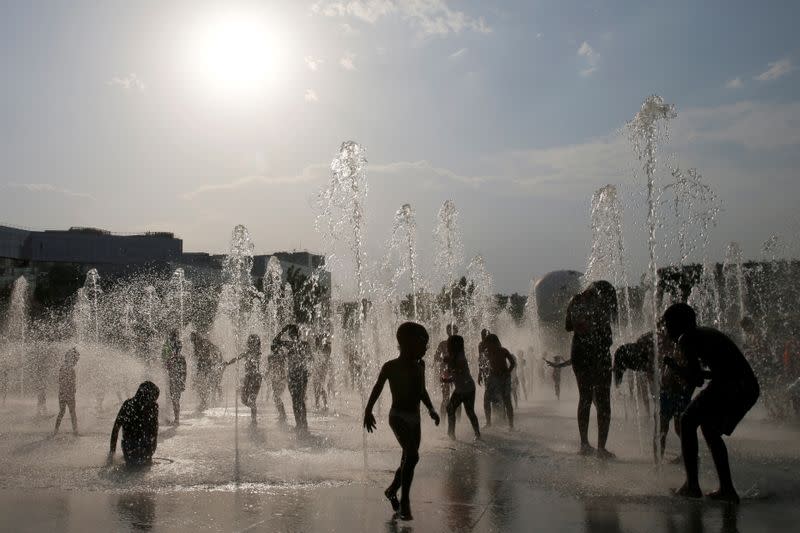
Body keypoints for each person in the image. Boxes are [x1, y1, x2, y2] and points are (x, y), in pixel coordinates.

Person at [663, 303, 760, 504]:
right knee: (709, 429)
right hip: (744, 385)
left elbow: (696, 380)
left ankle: (692, 486)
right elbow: (715, 373)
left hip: (734, 385)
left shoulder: (686, 338)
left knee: (688, 420)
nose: (665, 329)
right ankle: (727, 489)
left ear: (679, 323)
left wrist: (674, 367)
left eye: (667, 324)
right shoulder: (701, 334)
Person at [363, 322, 440, 521]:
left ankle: (391, 491)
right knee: (413, 456)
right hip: (397, 417)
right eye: (423, 343)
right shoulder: (391, 366)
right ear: (408, 343)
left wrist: (431, 409)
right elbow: (377, 387)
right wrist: (368, 410)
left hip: (415, 419)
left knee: (408, 459)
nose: (425, 348)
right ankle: (405, 502)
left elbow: (422, 392)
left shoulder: (420, 366)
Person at [549, 280, 617, 458]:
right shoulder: (601, 302)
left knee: (585, 398)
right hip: (599, 353)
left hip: (580, 353)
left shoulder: (575, 301)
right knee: (603, 401)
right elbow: (605, 332)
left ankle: (585, 445)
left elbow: (568, 326)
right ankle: (601, 448)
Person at [613, 330, 695, 462]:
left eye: (635, 367)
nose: (638, 369)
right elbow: (655, 374)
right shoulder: (643, 347)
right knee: (673, 425)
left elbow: (666, 361)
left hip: (681, 380)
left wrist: (666, 383)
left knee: (667, 426)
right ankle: (668, 461)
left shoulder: (649, 347)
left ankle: (663, 464)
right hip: (677, 382)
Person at [109, 381, 160, 466]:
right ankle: (144, 457)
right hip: (146, 451)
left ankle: (135, 455)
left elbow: (116, 429)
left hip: (128, 450)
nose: (154, 401)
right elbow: (154, 432)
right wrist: (149, 453)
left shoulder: (127, 404)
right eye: (154, 398)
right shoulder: (153, 407)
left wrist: (112, 454)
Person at [443, 334, 480, 440]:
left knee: (469, 412)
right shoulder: (454, 356)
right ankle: (451, 434)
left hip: (468, 389)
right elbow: (456, 375)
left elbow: (459, 371)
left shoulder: (461, 357)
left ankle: (477, 434)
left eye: (449, 343)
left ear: (454, 345)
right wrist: (447, 379)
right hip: (460, 389)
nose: (447, 345)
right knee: (450, 408)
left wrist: (449, 363)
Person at [479, 334, 516, 429]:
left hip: (504, 377)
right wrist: (481, 373)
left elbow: (513, 362)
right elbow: (481, 361)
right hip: (493, 376)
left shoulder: (503, 351)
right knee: (487, 399)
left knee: (506, 400)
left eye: (488, 343)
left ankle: (511, 425)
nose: (486, 345)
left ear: (493, 342)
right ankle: (488, 423)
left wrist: (507, 372)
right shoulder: (488, 352)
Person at [226, 334, 263, 425]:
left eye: (252, 342)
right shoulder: (247, 353)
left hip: (255, 378)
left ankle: (254, 420)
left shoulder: (257, 353)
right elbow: (237, 358)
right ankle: (253, 412)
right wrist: (228, 363)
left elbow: (256, 357)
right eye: (249, 342)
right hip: (248, 378)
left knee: (252, 400)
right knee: (243, 400)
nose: (250, 344)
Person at [190, 332, 223, 412]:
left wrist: (217, 359)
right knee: (200, 384)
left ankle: (206, 402)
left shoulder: (204, 342)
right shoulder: (196, 345)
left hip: (207, 365)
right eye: (191, 339)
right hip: (201, 365)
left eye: (193, 338)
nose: (192, 341)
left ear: (196, 337)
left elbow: (215, 348)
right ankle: (204, 402)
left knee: (205, 383)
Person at [161, 330, 186, 425]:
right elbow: (184, 372)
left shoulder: (177, 358)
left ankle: (176, 419)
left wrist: (182, 382)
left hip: (175, 381)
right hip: (173, 381)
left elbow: (184, 372)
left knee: (174, 400)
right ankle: (173, 418)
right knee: (172, 399)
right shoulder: (176, 358)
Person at [53, 348, 80, 436]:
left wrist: (64, 391)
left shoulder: (63, 367)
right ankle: (75, 431)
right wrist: (72, 390)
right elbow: (68, 381)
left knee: (62, 411)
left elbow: (61, 381)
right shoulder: (69, 369)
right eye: (76, 359)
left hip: (62, 393)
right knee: (72, 412)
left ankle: (56, 430)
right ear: (72, 358)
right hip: (68, 393)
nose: (76, 361)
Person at [312, 334, 332, 411]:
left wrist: (327, 343)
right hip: (317, 370)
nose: (316, 343)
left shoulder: (326, 349)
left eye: (317, 342)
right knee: (316, 386)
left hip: (322, 370)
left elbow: (328, 353)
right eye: (316, 342)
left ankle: (325, 404)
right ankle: (318, 404)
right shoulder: (317, 350)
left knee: (321, 387)